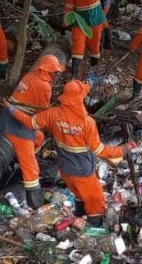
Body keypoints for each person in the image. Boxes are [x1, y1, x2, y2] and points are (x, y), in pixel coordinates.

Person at [11, 80, 124, 227]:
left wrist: (12, 109)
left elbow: (31, 122)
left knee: (78, 194)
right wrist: (122, 149)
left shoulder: (53, 113)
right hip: (83, 171)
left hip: (65, 169)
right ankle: (93, 230)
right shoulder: (87, 122)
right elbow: (99, 150)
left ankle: (79, 216)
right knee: (95, 202)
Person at [1, 54, 64, 208]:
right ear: (47, 72)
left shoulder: (30, 75)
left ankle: (19, 158)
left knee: (39, 136)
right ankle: (34, 203)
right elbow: (42, 114)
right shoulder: (43, 86)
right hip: (18, 126)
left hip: (12, 116)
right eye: (55, 72)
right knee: (31, 168)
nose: (57, 74)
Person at [64, 0, 107, 78]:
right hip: (79, 21)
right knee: (78, 47)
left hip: (96, 20)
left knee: (95, 47)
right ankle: (74, 76)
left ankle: (93, 75)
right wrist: (65, 23)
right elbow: (69, 6)